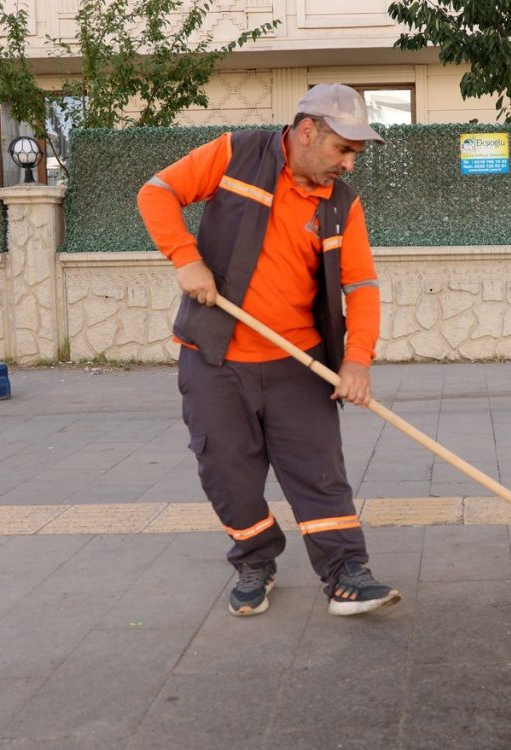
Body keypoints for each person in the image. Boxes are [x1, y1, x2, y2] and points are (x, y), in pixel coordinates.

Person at [137, 84, 399, 617]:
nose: (349, 164)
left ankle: (347, 572)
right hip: (216, 359)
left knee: (319, 472)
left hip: (298, 364)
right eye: (343, 150)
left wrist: (356, 360)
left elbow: (362, 286)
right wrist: (186, 259)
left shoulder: (341, 204)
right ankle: (255, 557)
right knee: (226, 469)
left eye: (355, 154)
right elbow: (156, 191)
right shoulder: (237, 153)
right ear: (309, 132)